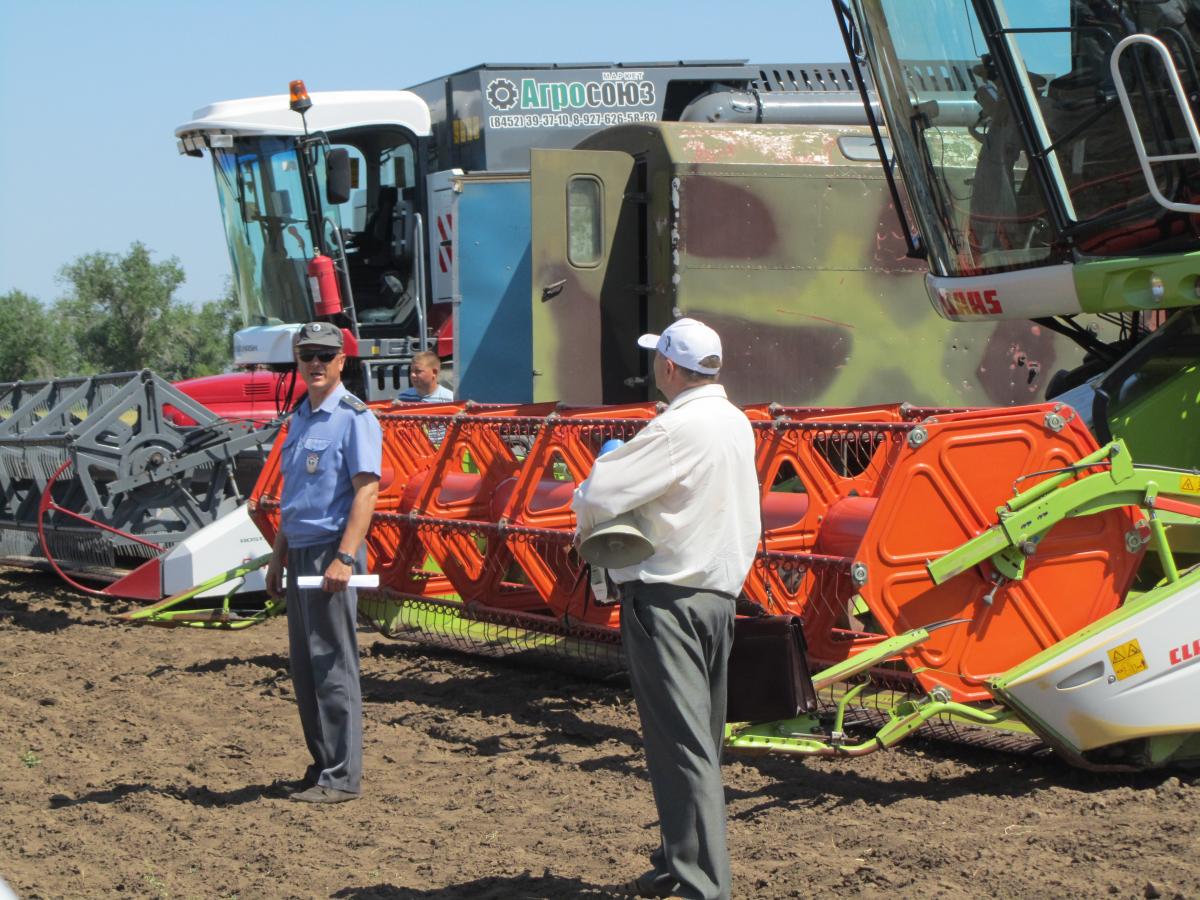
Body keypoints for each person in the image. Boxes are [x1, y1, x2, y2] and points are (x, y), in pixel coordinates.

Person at [571, 318, 760, 900]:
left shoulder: (677, 428)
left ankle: (703, 886)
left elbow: (600, 493)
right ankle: (680, 862)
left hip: (667, 599)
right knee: (699, 742)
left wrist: (601, 472)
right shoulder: (735, 423)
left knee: (681, 748)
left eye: (660, 359)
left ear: (671, 368)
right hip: (717, 599)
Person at [265, 322, 382, 804]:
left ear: (341, 363)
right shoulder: (302, 416)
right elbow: (294, 497)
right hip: (300, 552)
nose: (315, 363)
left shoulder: (355, 417)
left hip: (332, 553)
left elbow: (367, 491)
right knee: (306, 668)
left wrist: (345, 557)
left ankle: (341, 776)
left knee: (333, 665)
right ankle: (322, 765)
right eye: (306, 355)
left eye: (324, 356)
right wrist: (278, 557)